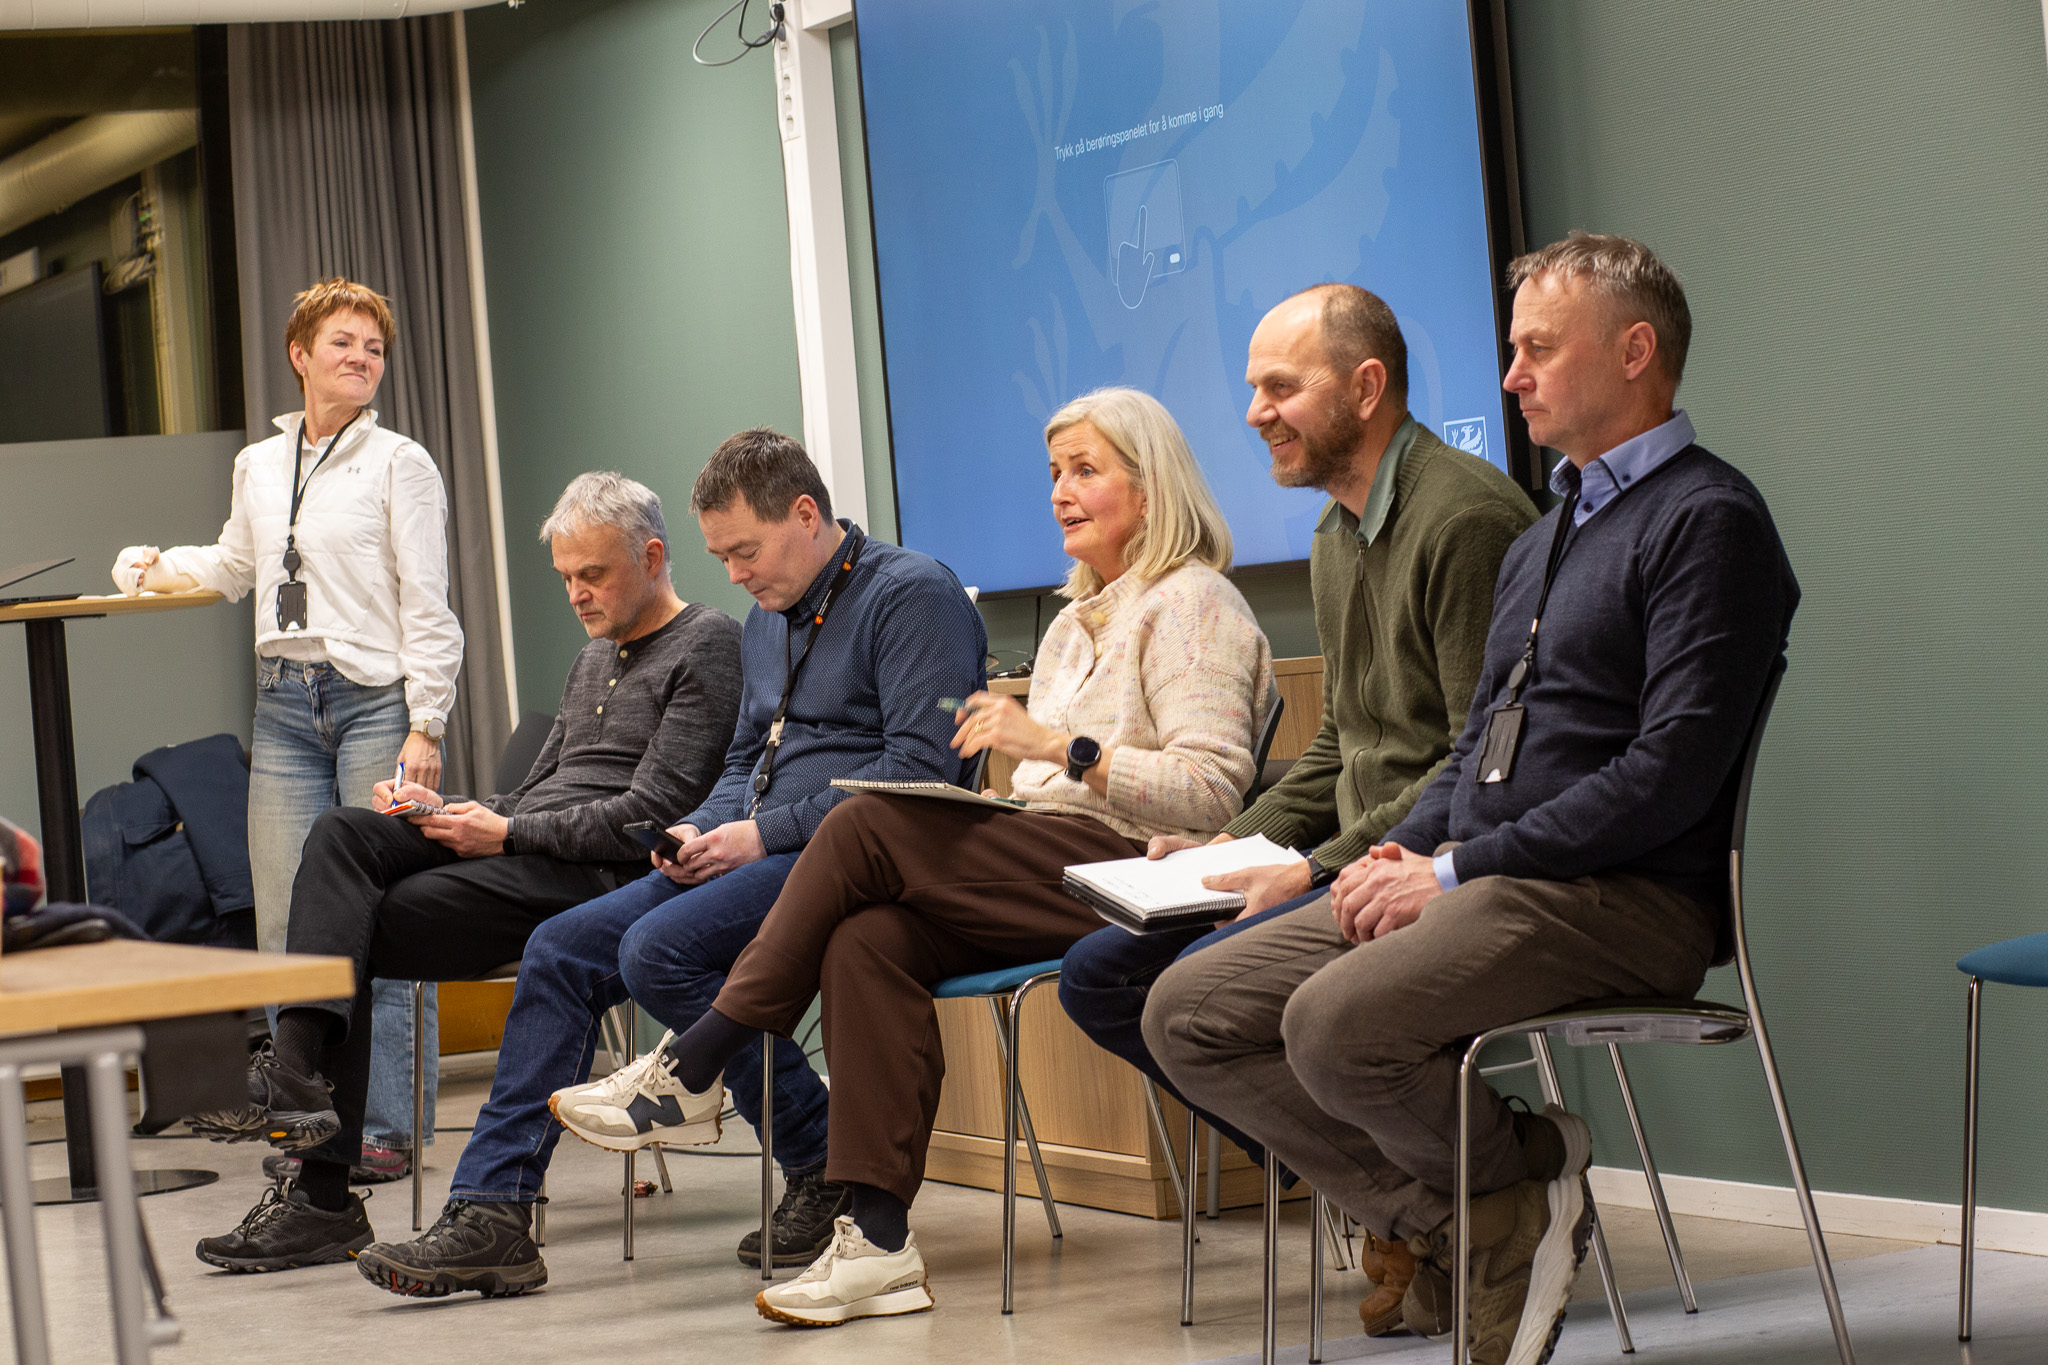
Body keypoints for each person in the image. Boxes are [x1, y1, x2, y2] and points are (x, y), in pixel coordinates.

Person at [1145, 233, 1799, 1365]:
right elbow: (1472, 755)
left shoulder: (1709, 519)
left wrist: (1451, 870)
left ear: (1634, 352)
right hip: (1489, 880)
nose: (1510, 375)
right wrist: (1389, 858)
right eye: (1512, 349)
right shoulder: (1547, 535)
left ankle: (1504, 1206)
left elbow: (1667, 775)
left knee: (1332, 1023)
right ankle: (1485, 1208)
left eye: (1538, 349)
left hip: (1625, 898)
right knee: (1186, 1011)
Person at [547, 386, 1273, 1327]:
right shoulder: (1071, 621)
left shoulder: (1197, 604)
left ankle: (694, 1064)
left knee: (861, 821)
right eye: (1055, 472)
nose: (1060, 491)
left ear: (1154, 483)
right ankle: (879, 1246)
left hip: (1132, 867)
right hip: (1041, 853)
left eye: (1085, 470)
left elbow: (1210, 792)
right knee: (868, 940)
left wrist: (1064, 748)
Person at [351, 429, 988, 1298]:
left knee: (658, 949)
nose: (734, 574)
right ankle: (493, 1210)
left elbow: (918, 773)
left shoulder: (912, 595)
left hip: (861, 854)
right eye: (720, 555)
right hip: (759, 845)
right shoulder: (768, 619)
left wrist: (760, 834)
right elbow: (744, 763)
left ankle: (815, 1153)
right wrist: (700, 827)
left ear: (807, 515)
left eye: (745, 551)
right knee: (559, 946)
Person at [1056, 283, 1536, 1333]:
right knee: (1102, 974)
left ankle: (1468, 1195)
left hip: (1428, 864)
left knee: (1186, 1005)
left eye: (1279, 386)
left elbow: (1477, 763)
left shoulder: (1465, 521)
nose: (1252, 412)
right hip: (1357, 857)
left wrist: (1314, 868)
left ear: (1365, 387)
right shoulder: (1333, 532)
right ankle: (1420, 1208)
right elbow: (1340, 745)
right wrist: (1232, 839)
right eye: (1252, 388)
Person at [188, 471, 743, 1273]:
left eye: (592, 574)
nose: (576, 594)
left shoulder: (709, 642)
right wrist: (447, 809)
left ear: (652, 557)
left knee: (350, 928)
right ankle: (298, 1073)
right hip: (529, 850)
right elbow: (537, 793)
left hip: (603, 879)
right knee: (344, 833)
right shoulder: (594, 657)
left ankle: (320, 1190)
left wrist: (506, 832)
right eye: (565, 577)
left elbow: (648, 813)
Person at [114, 277, 463, 1182]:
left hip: (376, 702)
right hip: (283, 705)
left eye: (374, 348)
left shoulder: (402, 463)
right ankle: (307, 1125)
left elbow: (429, 602)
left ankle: (386, 1128)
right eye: (343, 342)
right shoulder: (259, 464)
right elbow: (236, 564)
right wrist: (154, 565)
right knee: (283, 922)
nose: (361, 358)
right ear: (300, 354)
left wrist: (427, 721)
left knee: (385, 919)